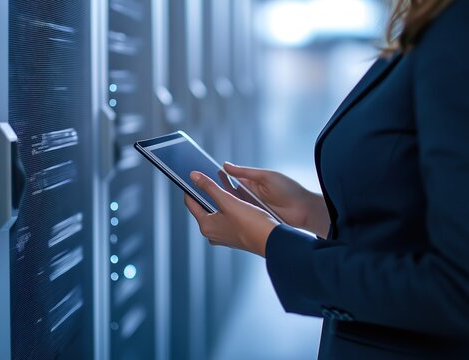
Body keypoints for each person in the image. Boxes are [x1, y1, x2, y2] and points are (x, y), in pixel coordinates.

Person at [184, 0, 469, 358]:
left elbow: (457, 290)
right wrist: (308, 210)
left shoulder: (457, 26)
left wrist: (272, 242)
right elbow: (416, 225)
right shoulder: (434, 22)